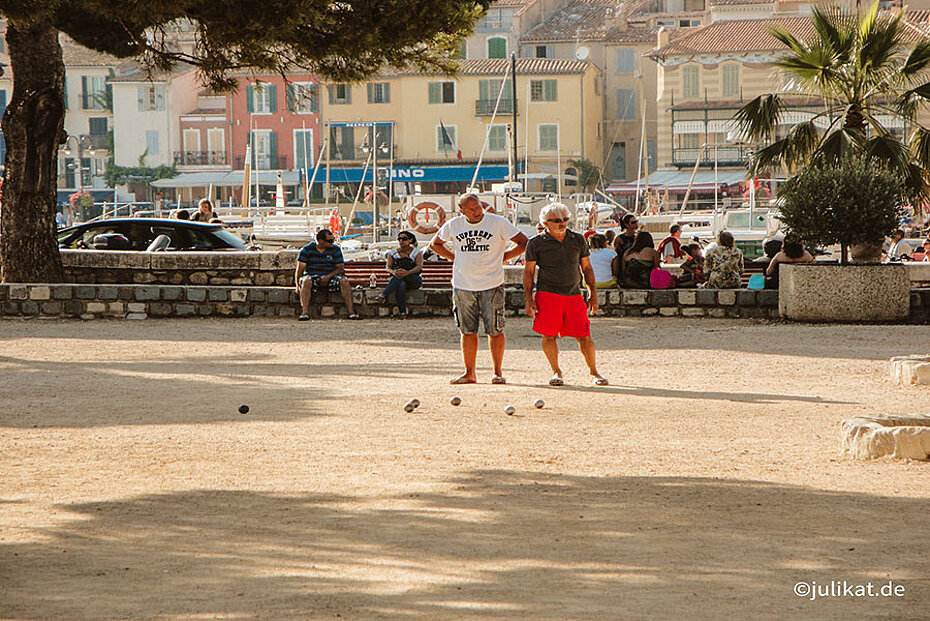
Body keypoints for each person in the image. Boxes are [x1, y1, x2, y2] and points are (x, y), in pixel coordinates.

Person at [429, 192, 528, 385]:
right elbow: (435, 244)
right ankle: (469, 372)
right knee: (467, 331)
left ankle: (498, 372)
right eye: (472, 209)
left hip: (492, 283)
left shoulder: (497, 223)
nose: (477, 212)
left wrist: (503, 257)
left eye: (479, 207)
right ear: (462, 211)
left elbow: (523, 242)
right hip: (463, 284)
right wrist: (455, 258)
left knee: (495, 330)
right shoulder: (454, 225)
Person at [524, 203, 607, 387]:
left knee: (584, 335)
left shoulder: (577, 240)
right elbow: (528, 272)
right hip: (547, 294)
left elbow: (586, 267)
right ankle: (556, 371)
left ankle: (594, 372)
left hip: (574, 294)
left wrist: (593, 293)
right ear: (545, 222)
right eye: (556, 220)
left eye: (565, 219)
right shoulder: (536, 243)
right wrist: (528, 299)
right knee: (549, 335)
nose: (562, 223)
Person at [295, 229, 360, 321]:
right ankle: (304, 312)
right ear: (321, 241)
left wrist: (328, 277)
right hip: (313, 275)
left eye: (332, 240)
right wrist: (297, 286)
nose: (332, 243)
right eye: (330, 241)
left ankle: (351, 312)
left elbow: (340, 268)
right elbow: (299, 270)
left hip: (331, 274)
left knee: (344, 281)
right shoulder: (307, 250)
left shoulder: (335, 249)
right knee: (306, 281)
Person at [376, 230, 423, 318]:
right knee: (401, 284)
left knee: (399, 279)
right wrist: (394, 272)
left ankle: (384, 294)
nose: (401, 241)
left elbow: (419, 267)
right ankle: (402, 312)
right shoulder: (392, 253)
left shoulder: (417, 253)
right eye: (399, 239)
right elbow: (388, 267)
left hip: (413, 279)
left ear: (410, 240)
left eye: (404, 239)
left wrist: (407, 273)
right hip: (399, 278)